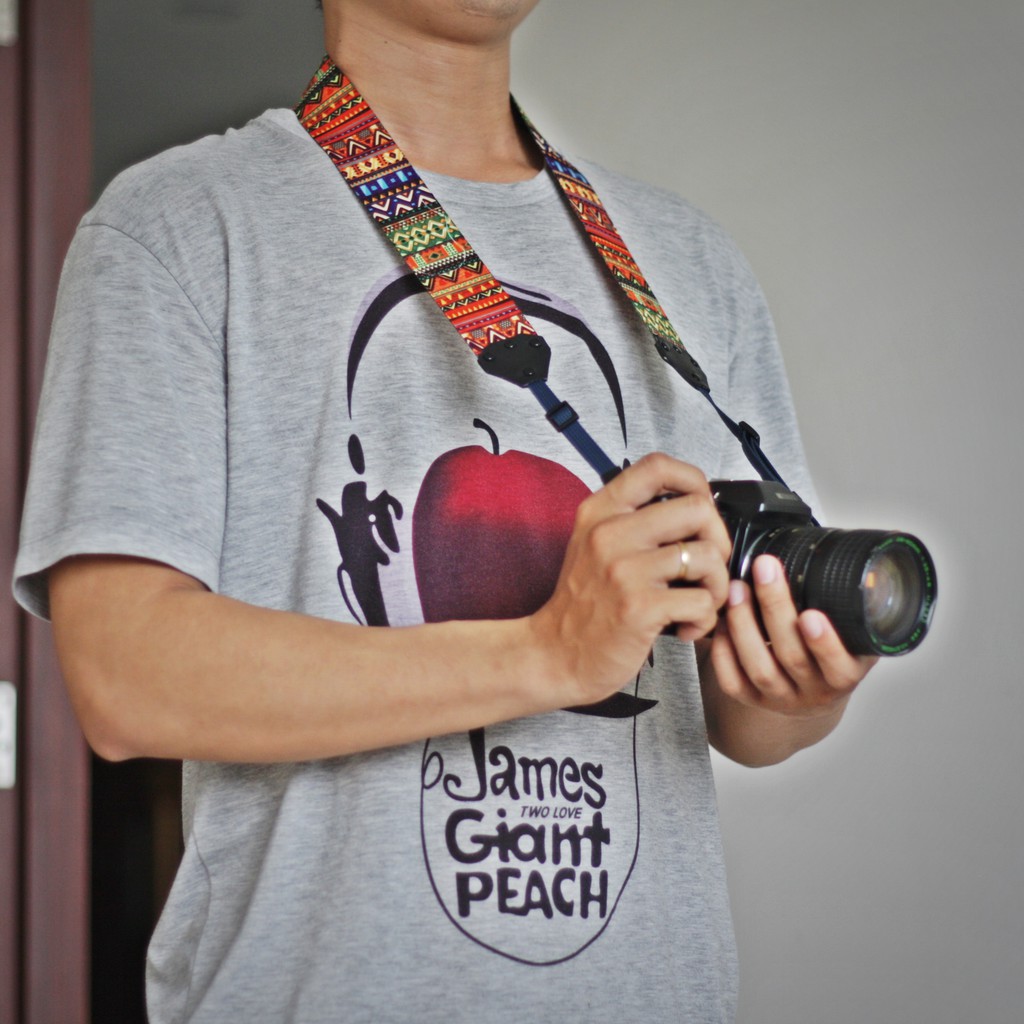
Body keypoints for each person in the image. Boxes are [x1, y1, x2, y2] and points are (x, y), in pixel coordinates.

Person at [13, 1, 877, 1021]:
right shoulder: (180, 224)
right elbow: (124, 679)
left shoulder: (690, 263)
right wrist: (547, 653)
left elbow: (747, 727)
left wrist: (797, 686)